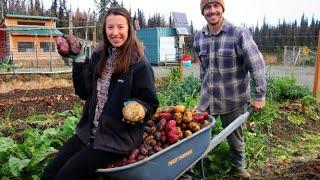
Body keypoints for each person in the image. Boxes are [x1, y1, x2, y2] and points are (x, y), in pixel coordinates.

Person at [42, 7, 159, 180]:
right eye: (110, 27)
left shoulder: (139, 64)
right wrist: (79, 61)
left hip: (115, 139)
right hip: (88, 132)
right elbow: (84, 92)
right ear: (104, 30)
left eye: (120, 27)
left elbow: (150, 102)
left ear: (129, 29)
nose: (115, 32)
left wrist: (138, 108)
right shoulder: (99, 56)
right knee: (49, 173)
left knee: (64, 177)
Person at [193, 0, 267, 179]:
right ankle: (192, 163)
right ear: (203, 11)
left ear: (222, 8)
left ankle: (239, 166)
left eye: (215, 6)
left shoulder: (238, 34)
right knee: (194, 131)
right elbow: (203, 67)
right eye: (207, 7)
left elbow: (256, 64)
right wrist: (203, 84)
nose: (212, 11)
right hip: (207, 98)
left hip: (232, 97)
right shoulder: (199, 37)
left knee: (235, 136)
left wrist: (260, 94)